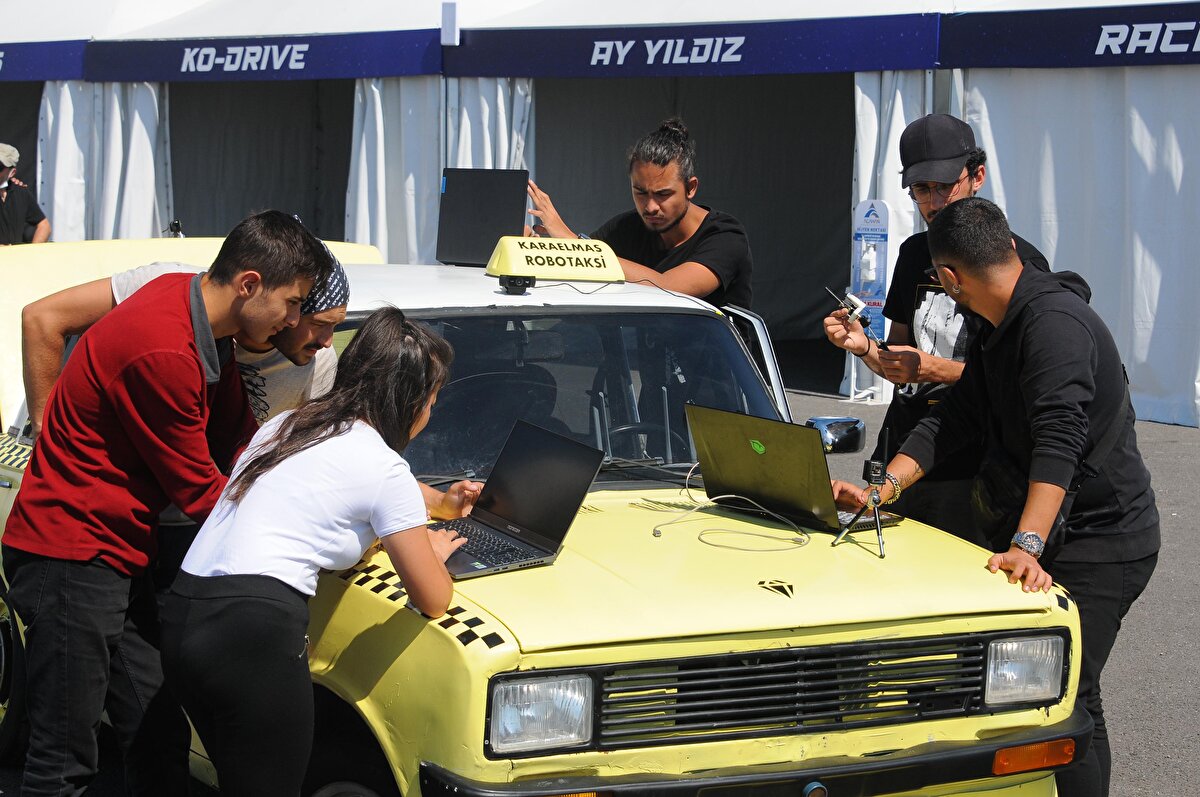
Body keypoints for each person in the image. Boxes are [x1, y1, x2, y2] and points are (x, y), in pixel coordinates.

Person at [1, 210, 334, 795]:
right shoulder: (164, 351)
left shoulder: (197, 312)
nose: (293, 320)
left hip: (120, 552)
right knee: (63, 760)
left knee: (156, 733)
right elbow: (200, 491)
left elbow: (238, 439)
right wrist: (309, 536)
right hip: (70, 556)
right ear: (249, 284)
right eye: (291, 303)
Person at [834, 198, 1159, 797]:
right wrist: (884, 491)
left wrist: (1027, 545)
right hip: (1052, 526)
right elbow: (953, 419)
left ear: (949, 278)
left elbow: (1060, 439)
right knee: (1017, 687)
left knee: (1066, 694)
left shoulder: (1052, 325)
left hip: (1103, 537)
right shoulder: (999, 322)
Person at [160, 307, 471, 795]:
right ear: (409, 401)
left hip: (184, 614)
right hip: (252, 632)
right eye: (431, 401)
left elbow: (340, 483)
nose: (429, 415)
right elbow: (433, 598)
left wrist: (439, 503)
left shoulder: (286, 427)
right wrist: (429, 549)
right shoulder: (383, 466)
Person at [824, 114, 1049, 542]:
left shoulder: (1016, 264)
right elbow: (901, 361)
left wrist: (934, 369)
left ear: (977, 176)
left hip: (978, 464)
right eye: (921, 189)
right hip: (905, 452)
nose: (933, 201)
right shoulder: (914, 254)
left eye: (944, 185)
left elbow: (1023, 382)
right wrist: (863, 346)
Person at [526, 118, 753, 309]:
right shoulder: (627, 228)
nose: (650, 206)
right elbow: (579, 266)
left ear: (691, 188)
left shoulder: (725, 236)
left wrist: (575, 245)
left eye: (663, 194)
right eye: (640, 193)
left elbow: (670, 288)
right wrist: (529, 245)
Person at [0, 143, 51, 244]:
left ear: (12, 172)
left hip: (17, 254)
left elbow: (44, 226)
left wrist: (32, 251)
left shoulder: (21, 192)